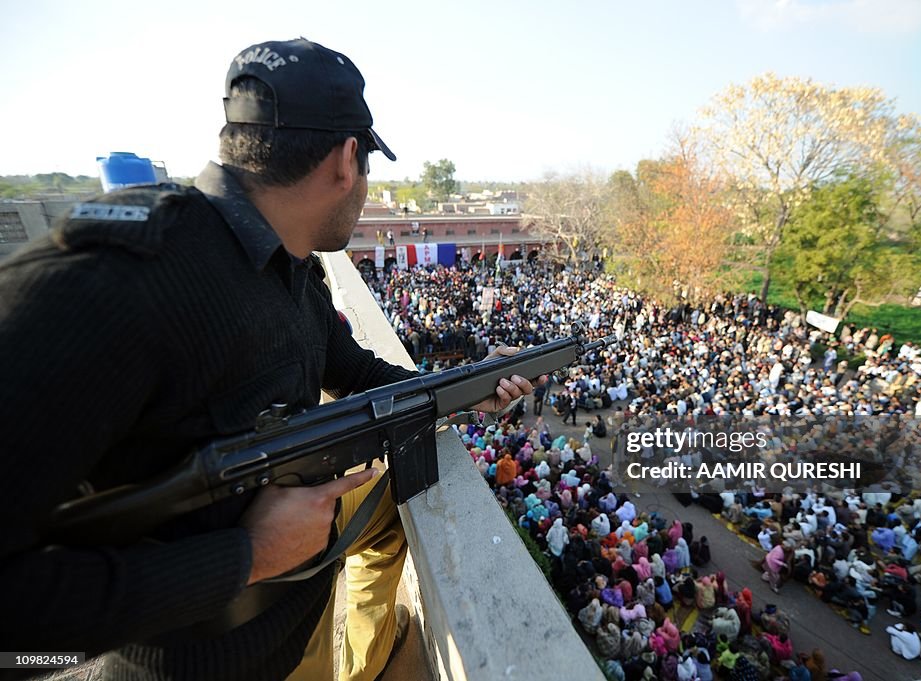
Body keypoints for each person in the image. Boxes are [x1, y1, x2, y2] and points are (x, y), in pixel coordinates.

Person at [0, 38, 533, 681]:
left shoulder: (290, 260)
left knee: (391, 505)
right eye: (367, 167)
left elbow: (358, 374)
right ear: (345, 160)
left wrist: (472, 387)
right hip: (208, 658)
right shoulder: (118, 282)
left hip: (294, 613)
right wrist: (246, 556)